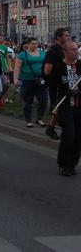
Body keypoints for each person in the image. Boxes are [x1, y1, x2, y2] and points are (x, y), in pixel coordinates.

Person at [50, 41, 81, 176]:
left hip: (79, 107)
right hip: (65, 107)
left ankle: (72, 164)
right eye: (73, 49)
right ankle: (63, 164)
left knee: (78, 137)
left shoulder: (80, 66)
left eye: (77, 49)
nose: (76, 51)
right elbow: (53, 88)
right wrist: (56, 101)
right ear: (66, 52)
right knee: (69, 135)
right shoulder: (58, 68)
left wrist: (78, 92)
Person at [13, 38, 48, 127]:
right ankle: (28, 120)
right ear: (27, 45)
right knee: (28, 101)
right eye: (32, 43)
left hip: (40, 80)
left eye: (36, 43)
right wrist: (15, 79)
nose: (35, 45)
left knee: (43, 99)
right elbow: (17, 68)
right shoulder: (22, 55)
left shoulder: (42, 53)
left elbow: (47, 65)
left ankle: (39, 118)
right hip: (27, 81)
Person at [43, 28, 71, 140]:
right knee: (58, 105)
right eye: (66, 35)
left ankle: (51, 127)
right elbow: (47, 71)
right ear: (58, 37)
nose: (68, 37)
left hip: (65, 81)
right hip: (56, 83)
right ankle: (55, 128)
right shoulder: (53, 51)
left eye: (69, 35)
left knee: (61, 105)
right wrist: (62, 68)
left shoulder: (64, 49)